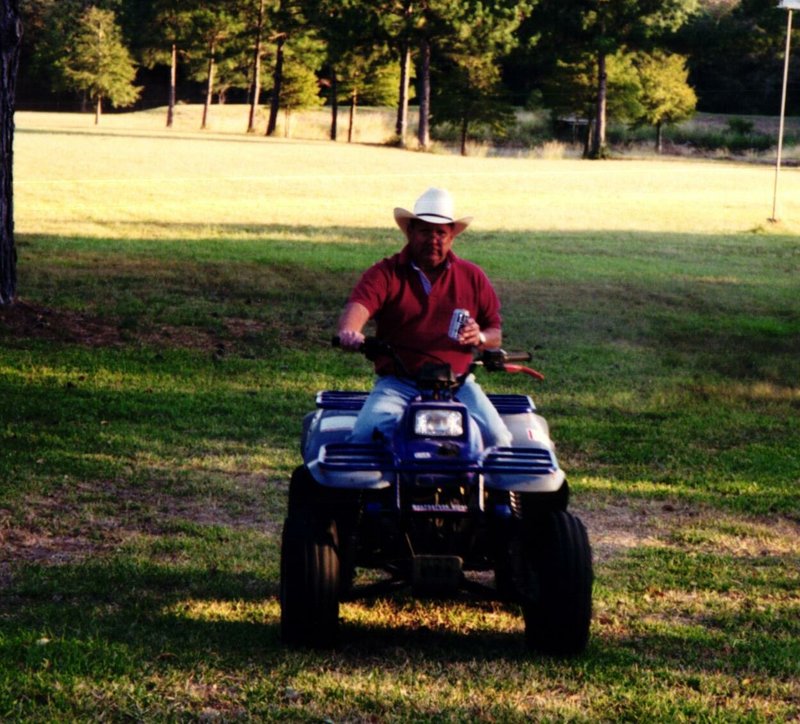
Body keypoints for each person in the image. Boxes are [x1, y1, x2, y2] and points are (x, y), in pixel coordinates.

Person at [337, 187, 513, 448]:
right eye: (425, 231)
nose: (433, 239)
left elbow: (494, 332)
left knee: (498, 438)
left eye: (441, 233)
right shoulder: (386, 273)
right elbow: (360, 305)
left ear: (452, 236)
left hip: (458, 383)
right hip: (398, 383)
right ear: (410, 232)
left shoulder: (472, 276)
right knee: (365, 436)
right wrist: (350, 332)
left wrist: (480, 337)